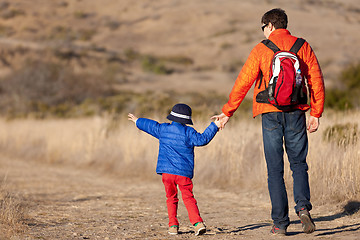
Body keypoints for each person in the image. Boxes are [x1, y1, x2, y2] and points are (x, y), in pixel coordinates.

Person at [212, 8, 325, 235]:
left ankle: (280, 224)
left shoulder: (261, 49)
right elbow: (315, 78)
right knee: (299, 165)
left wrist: (227, 112)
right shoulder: (303, 46)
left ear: (270, 26)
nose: (263, 32)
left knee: (275, 170)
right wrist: (316, 113)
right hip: (296, 112)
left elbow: (243, 83)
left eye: (263, 27)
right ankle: (303, 208)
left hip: (269, 112)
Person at [128, 103, 220, 236]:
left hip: (167, 173)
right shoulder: (189, 132)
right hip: (183, 174)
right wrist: (214, 126)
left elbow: (150, 126)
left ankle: (173, 226)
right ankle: (197, 223)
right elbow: (203, 139)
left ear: (172, 117)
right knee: (188, 197)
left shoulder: (163, 129)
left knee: (171, 198)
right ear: (187, 120)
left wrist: (137, 121)